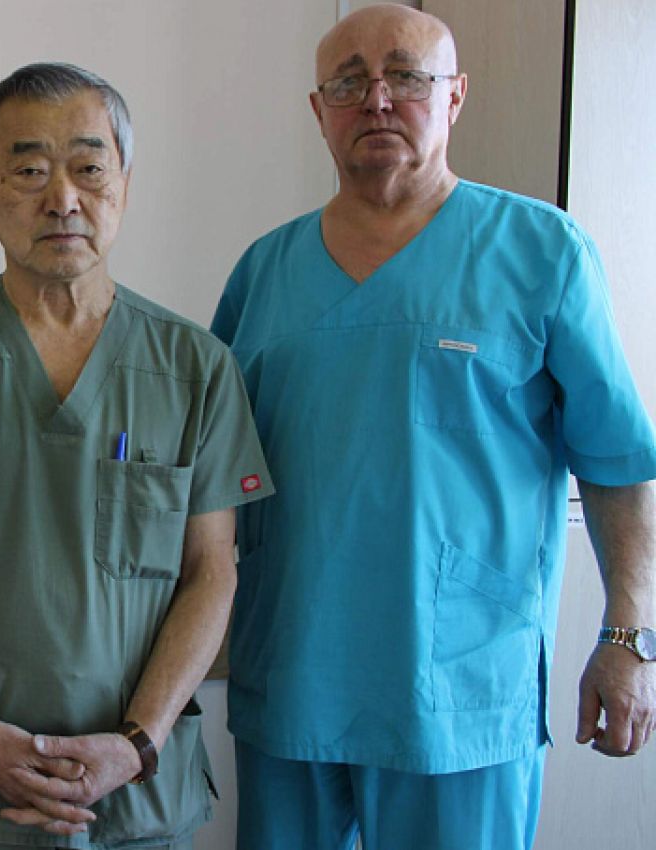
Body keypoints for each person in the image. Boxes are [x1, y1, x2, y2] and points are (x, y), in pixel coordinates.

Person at [210, 5, 656, 849]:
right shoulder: (264, 272)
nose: (377, 99)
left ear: (454, 96)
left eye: (406, 76)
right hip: (294, 674)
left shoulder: (543, 252)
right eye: (349, 82)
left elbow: (618, 462)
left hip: (460, 686)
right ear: (319, 110)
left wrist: (628, 638)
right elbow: (208, 482)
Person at [0, 62, 274, 850]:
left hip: (134, 796)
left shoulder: (196, 367)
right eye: (29, 170)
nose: (62, 198)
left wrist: (137, 743)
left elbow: (212, 570)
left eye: (88, 168)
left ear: (125, 185)